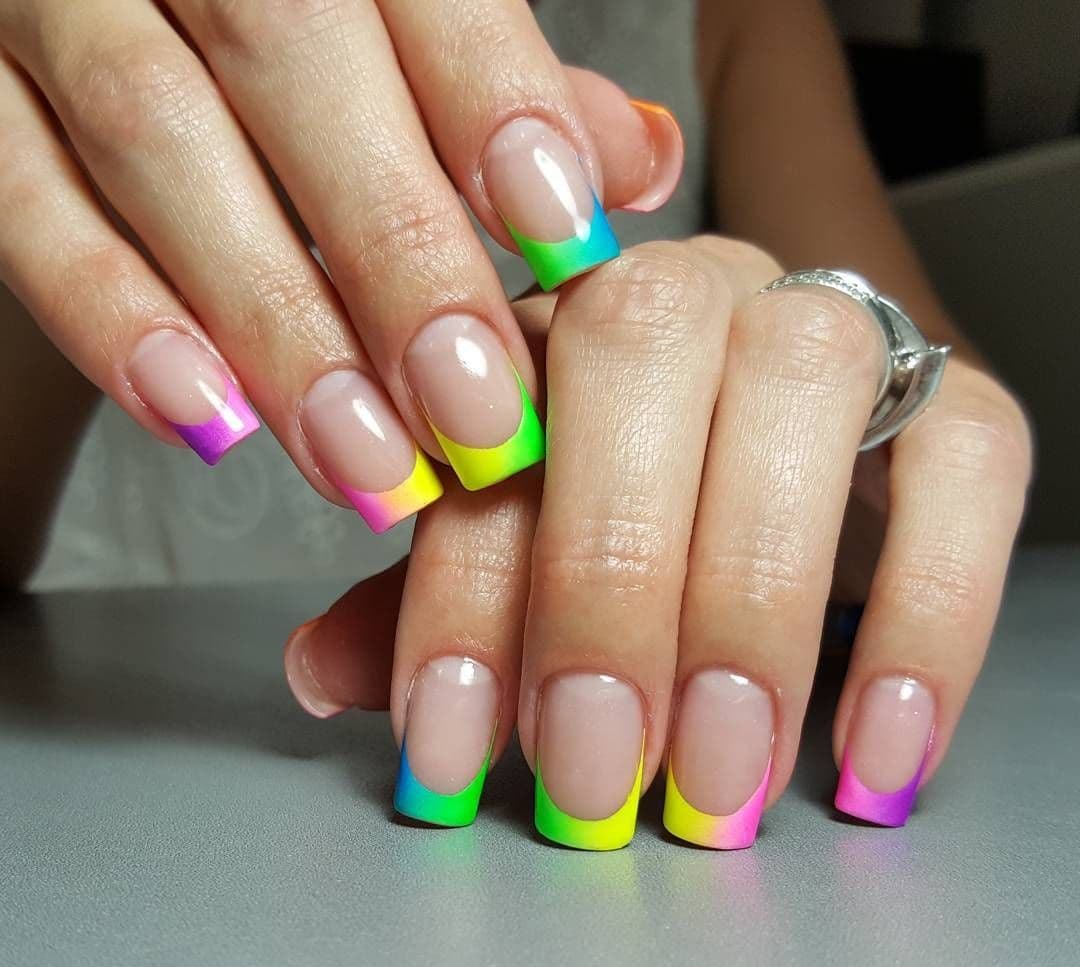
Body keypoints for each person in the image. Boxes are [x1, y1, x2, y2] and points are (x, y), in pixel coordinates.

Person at [0, 1, 1032, 849]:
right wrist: (74, 185)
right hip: (81, 745)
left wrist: (829, 387)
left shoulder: (741, 15)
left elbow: (917, 384)